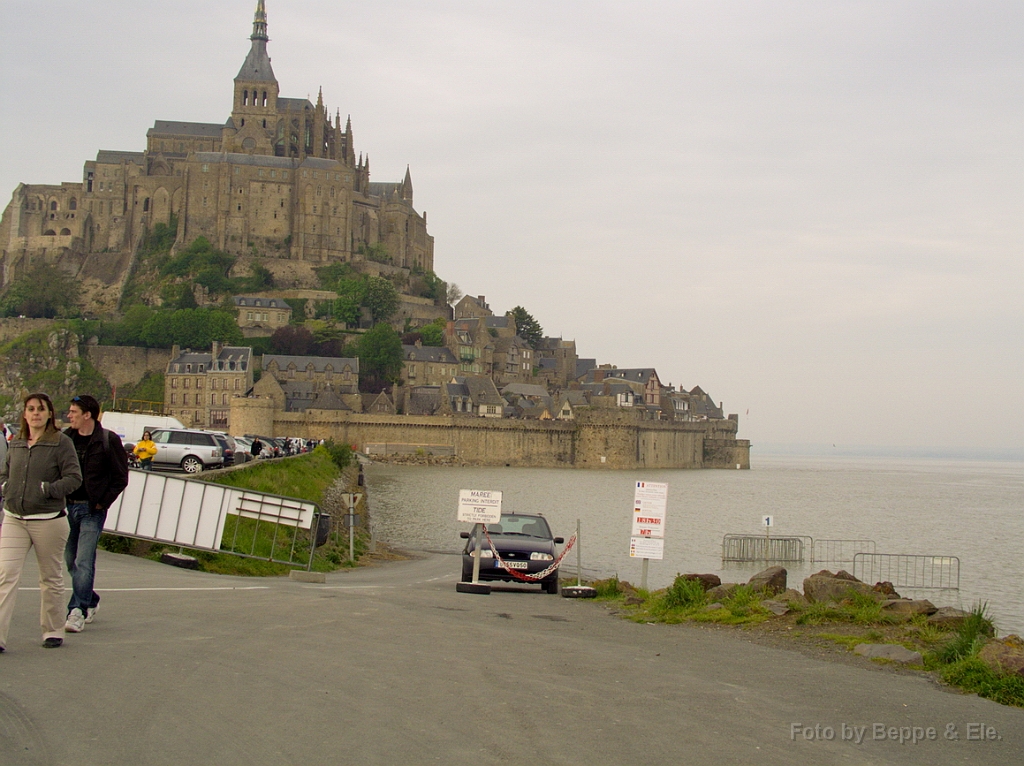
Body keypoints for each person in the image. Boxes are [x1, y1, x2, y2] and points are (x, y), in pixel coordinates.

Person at [0, 393, 83, 651]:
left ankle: (53, 630)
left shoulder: (61, 443)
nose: (35, 413)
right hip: (14, 518)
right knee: (5, 575)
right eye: (31, 409)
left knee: (50, 577)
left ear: (49, 414)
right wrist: (6, 487)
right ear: (24, 414)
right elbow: (4, 472)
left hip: (48, 520)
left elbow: (73, 478)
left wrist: (47, 490)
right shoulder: (16, 443)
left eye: (41, 409)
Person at [63, 395, 129, 634]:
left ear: (87, 415)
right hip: (67, 507)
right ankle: (90, 599)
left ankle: (77, 610)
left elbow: (121, 477)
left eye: (73, 412)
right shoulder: (66, 439)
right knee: (71, 561)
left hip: (92, 510)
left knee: (84, 561)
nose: (69, 416)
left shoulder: (107, 440)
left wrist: (102, 503)